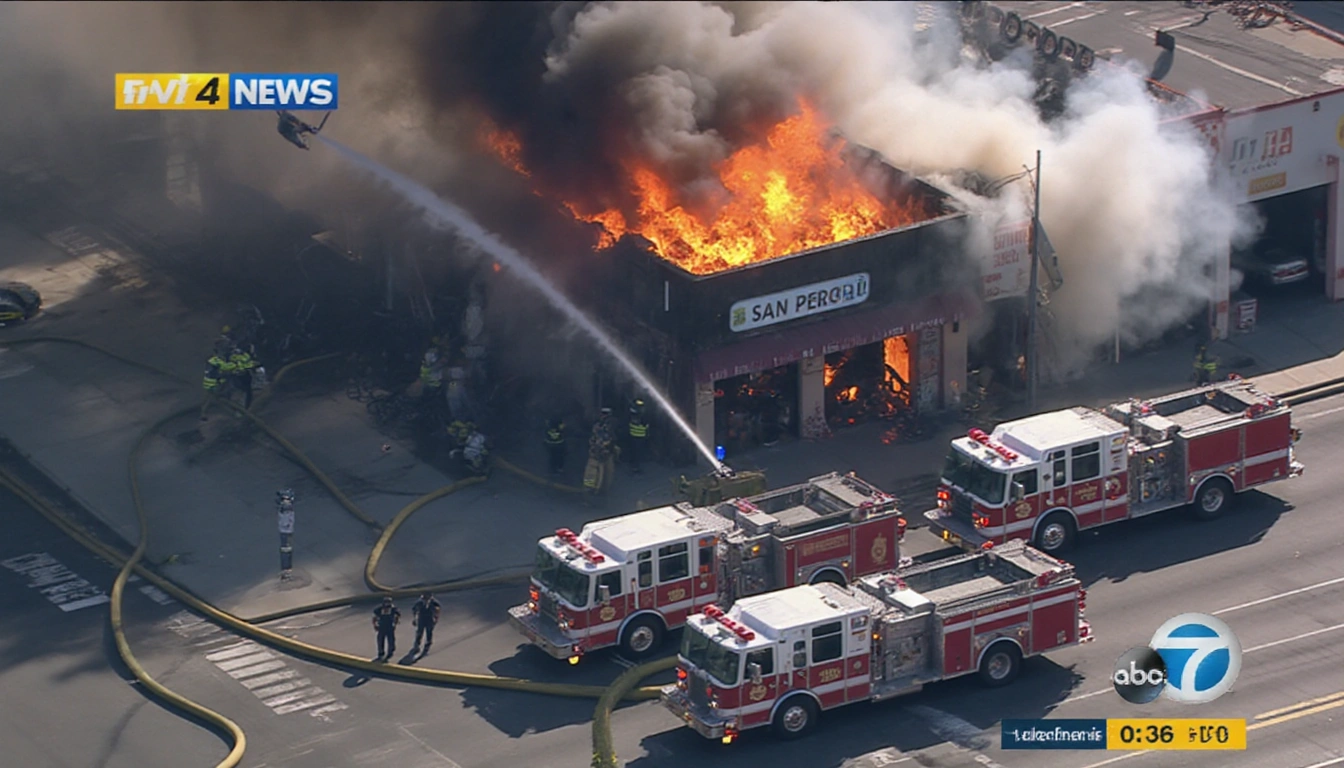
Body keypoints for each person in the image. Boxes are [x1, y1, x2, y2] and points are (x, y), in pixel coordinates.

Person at [584, 408, 616, 494]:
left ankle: (600, 491)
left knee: (606, 475)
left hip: (604, 455)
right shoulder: (600, 427)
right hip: (597, 455)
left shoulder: (607, 426)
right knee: (593, 475)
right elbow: (601, 441)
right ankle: (589, 491)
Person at [200, 350, 228, 422]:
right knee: (210, 397)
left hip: (208, 381)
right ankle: (204, 412)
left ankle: (203, 412)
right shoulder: (217, 361)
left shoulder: (211, 360)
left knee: (208, 397)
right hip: (214, 382)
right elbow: (225, 369)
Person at [229, 344, 258, 409]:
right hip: (238, 376)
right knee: (241, 392)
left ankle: (246, 408)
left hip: (244, 376)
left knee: (247, 392)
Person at [372, 596, 401, 661]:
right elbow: (374, 617)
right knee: (380, 639)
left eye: (388, 602)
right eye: (386, 602)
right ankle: (381, 652)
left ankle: (391, 650)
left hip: (390, 626)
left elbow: (397, 615)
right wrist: (375, 625)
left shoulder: (393, 609)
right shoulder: (379, 609)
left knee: (391, 639)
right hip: (381, 626)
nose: (387, 604)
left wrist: (395, 622)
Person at [276, 489, 295, 579]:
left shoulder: (285, 509)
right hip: (286, 531)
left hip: (285, 532)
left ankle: (286, 572)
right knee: (286, 551)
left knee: (285, 551)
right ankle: (286, 572)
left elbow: (285, 521)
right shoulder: (286, 509)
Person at [627, 399, 649, 474]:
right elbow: (645, 425)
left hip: (632, 435)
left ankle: (632, 466)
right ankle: (635, 468)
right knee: (638, 453)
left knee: (633, 452)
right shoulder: (643, 416)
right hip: (640, 436)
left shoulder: (632, 413)